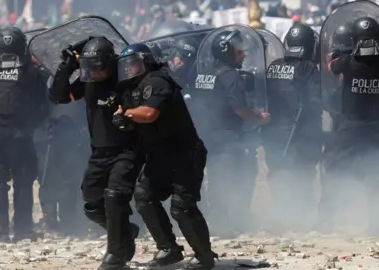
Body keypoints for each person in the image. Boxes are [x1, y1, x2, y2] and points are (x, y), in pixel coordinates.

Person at [114, 43, 216, 270]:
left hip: (184, 153)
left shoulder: (157, 81)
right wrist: (123, 119)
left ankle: (204, 257)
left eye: (133, 65)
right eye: (126, 66)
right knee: (144, 195)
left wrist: (128, 114)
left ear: (146, 62)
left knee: (182, 206)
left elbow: (149, 114)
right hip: (158, 154)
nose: (129, 70)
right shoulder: (129, 89)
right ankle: (168, 248)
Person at [48, 36, 143, 269]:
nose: (95, 74)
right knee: (92, 205)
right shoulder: (88, 80)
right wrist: (66, 67)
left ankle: (115, 255)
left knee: (114, 198)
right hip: (99, 152)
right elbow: (59, 97)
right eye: (89, 69)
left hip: (127, 149)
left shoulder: (126, 80)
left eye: (98, 68)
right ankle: (125, 232)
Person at [0, 26, 48, 242]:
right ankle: (23, 229)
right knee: (23, 181)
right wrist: (31, 127)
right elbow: (42, 105)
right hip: (18, 134)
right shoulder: (30, 71)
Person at [196, 29, 270, 237]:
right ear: (226, 52)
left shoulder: (205, 72)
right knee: (232, 178)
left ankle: (220, 222)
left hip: (208, 134)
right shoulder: (230, 75)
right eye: (239, 51)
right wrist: (260, 119)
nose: (243, 55)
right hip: (228, 136)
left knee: (216, 178)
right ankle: (227, 224)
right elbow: (240, 109)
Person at [320, 16, 379, 235]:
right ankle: (374, 224)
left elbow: (330, 66)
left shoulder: (347, 62)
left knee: (335, 173)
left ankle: (325, 221)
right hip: (375, 130)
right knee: (375, 177)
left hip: (349, 129)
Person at [262, 23, 323, 233]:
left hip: (273, 132)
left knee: (278, 174)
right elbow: (315, 102)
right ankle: (301, 219)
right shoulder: (308, 68)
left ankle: (280, 218)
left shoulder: (275, 66)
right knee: (302, 175)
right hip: (301, 135)